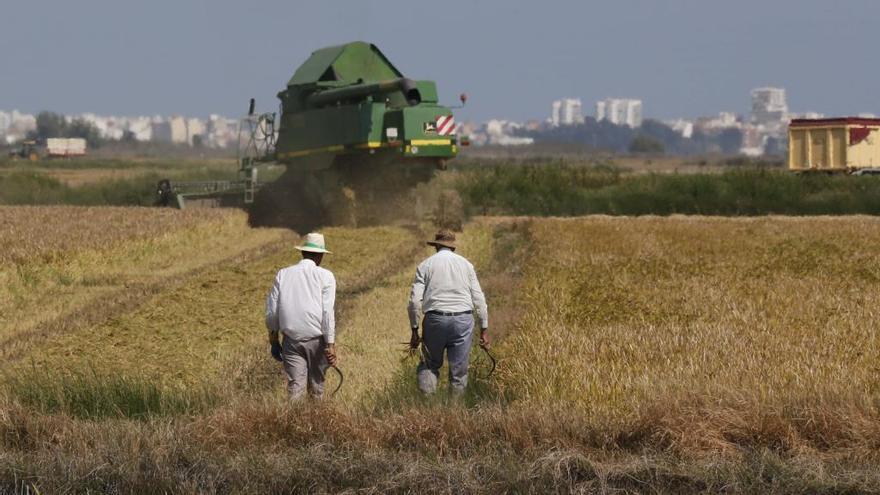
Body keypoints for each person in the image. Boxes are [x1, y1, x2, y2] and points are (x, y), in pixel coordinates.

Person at [407, 229, 489, 394]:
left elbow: (415, 301)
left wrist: (415, 329)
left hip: (435, 320)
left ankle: (427, 407)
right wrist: (484, 329)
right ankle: (454, 413)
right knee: (459, 371)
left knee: (429, 365)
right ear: (452, 247)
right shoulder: (466, 265)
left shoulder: (425, 265)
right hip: (463, 321)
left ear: (436, 246)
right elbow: (479, 299)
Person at [265, 232, 338, 400]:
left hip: (291, 340)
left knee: (295, 390)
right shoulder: (326, 276)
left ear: (302, 252)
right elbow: (327, 312)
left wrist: (274, 338)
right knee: (317, 388)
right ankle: (316, 423)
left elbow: (272, 311)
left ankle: (294, 423)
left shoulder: (283, 274)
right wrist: (330, 344)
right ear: (320, 256)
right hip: (317, 341)